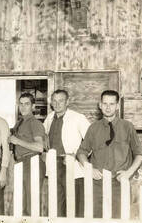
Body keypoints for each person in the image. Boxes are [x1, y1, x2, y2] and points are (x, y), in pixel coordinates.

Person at [76, 90, 142, 218]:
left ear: (117, 106)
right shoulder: (93, 128)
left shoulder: (127, 127)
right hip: (97, 184)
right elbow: (81, 152)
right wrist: (89, 168)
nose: (108, 107)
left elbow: (139, 154)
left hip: (119, 183)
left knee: (119, 218)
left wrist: (128, 173)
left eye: (112, 104)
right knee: (94, 218)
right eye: (105, 103)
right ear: (100, 105)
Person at [44, 89, 90, 217]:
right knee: (56, 204)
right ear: (51, 103)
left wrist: (76, 156)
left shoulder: (78, 118)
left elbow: (91, 140)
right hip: (54, 165)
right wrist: (44, 139)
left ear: (67, 102)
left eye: (61, 101)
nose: (57, 104)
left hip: (71, 164)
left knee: (73, 205)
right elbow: (44, 133)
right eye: (54, 101)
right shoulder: (49, 117)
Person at [8, 93, 46, 216]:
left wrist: (17, 141)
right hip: (21, 163)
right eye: (21, 104)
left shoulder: (34, 123)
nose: (23, 107)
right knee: (21, 203)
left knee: (31, 204)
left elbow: (39, 147)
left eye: (27, 104)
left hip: (32, 162)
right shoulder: (20, 123)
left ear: (33, 106)